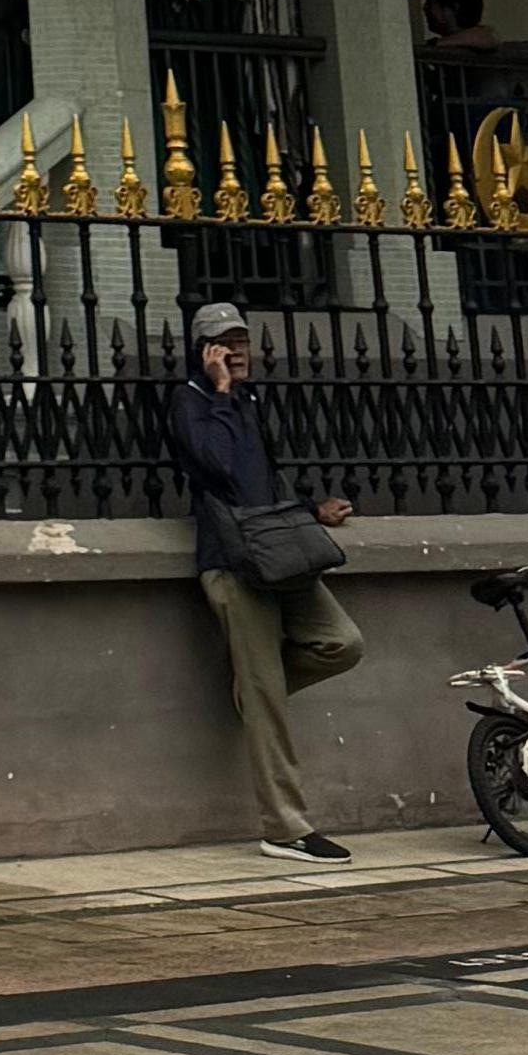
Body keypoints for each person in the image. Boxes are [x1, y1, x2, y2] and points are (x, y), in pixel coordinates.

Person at [167, 293, 361, 864]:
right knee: (267, 698)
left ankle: (253, 695)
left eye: (242, 341)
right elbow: (220, 468)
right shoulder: (190, 401)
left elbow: (262, 480)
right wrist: (220, 393)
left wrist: (310, 509)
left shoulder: (249, 400)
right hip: (232, 563)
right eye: (225, 344)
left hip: (278, 551)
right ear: (204, 352)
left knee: (343, 642)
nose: (238, 351)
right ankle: (285, 828)